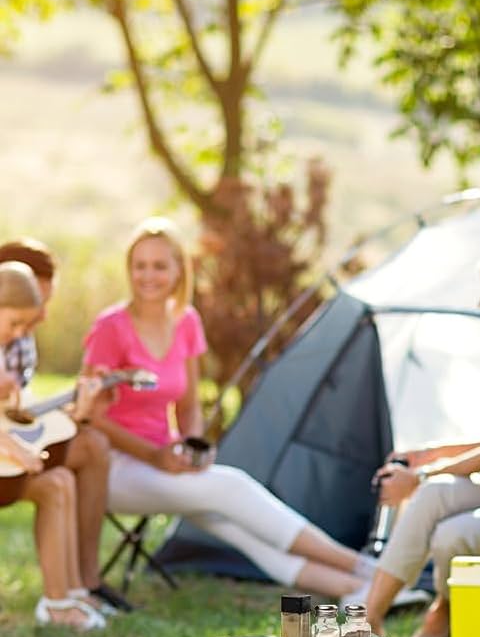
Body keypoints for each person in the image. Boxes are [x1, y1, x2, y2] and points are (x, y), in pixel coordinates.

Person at [81, 216, 375, 601]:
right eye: (140, 266)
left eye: (159, 266)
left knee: (227, 519)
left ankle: (356, 589)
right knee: (230, 487)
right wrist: (154, 456)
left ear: (178, 270)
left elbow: (188, 406)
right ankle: (367, 569)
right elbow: (88, 415)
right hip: (112, 469)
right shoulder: (111, 327)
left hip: (166, 463)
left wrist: (191, 447)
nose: (147, 276)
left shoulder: (185, 321)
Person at [361, 244, 480, 637]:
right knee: (432, 496)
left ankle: (444, 609)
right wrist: (431, 457)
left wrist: (421, 472)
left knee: (451, 535)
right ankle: (371, 614)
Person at [0, 238, 129, 612]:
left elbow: (16, 416)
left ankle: (74, 591)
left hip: (9, 447)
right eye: (21, 317)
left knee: (73, 464)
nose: (39, 316)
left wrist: (79, 410)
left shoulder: (19, 337)